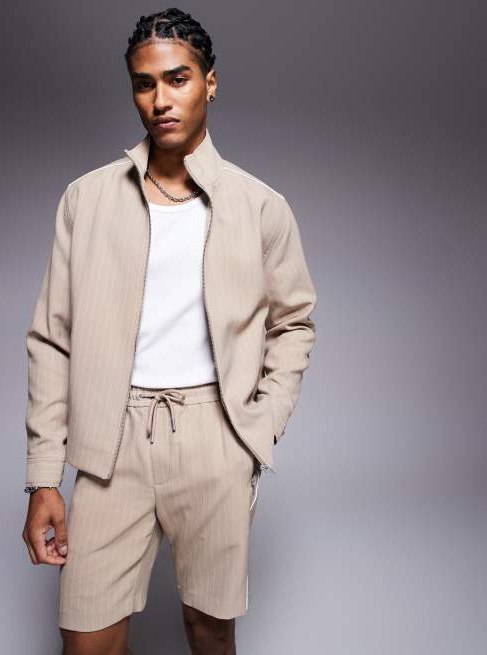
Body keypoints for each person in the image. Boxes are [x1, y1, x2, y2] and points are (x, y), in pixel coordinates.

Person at [21, 7, 317, 655]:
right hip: (110, 445)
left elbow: (293, 321)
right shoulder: (87, 199)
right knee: (85, 639)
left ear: (209, 82)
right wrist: (44, 477)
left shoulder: (259, 206)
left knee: (210, 632)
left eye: (177, 79)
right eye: (144, 83)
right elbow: (51, 338)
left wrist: (259, 428)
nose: (160, 100)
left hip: (215, 436)